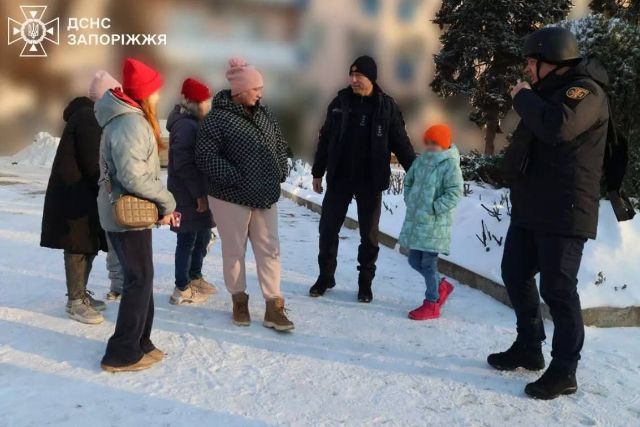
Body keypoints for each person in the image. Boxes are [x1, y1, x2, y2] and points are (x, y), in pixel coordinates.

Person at [487, 27, 610, 400]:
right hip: (534, 205)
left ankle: (564, 369)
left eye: (531, 62)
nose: (526, 69)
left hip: (566, 209)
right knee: (514, 272)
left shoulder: (586, 92)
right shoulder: (549, 93)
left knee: (557, 289)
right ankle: (529, 346)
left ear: (552, 61)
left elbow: (558, 127)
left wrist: (524, 98)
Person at [196, 57, 293, 332]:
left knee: (269, 249)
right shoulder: (216, 119)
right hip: (231, 197)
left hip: (265, 195)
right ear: (239, 90)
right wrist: (235, 178)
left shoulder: (265, 114)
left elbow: (280, 144)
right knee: (234, 251)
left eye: (261, 88)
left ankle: (274, 306)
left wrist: (280, 170)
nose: (260, 93)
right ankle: (239, 300)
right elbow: (205, 156)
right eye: (255, 88)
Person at [309, 55, 416, 302]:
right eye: (352, 75)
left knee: (369, 235)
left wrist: (416, 173)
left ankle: (365, 283)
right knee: (327, 229)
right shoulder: (340, 102)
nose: (354, 80)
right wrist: (317, 172)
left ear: (371, 78)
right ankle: (325, 276)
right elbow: (325, 139)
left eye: (359, 75)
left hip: (370, 180)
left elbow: (401, 143)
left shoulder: (386, 107)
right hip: (340, 178)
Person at [96, 58, 177, 372]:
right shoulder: (130, 123)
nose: (159, 95)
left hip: (126, 212)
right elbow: (133, 177)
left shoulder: (126, 119)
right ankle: (121, 353)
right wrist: (167, 202)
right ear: (145, 93)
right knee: (138, 279)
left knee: (141, 278)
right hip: (126, 214)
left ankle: (142, 342)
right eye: (155, 90)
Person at [40, 70, 121, 324]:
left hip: (82, 194)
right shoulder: (88, 117)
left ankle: (80, 295)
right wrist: (111, 183)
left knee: (87, 245)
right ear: (106, 96)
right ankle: (75, 301)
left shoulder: (88, 115)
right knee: (77, 247)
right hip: (76, 195)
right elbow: (93, 162)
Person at [398, 124, 462, 320]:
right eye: (429, 142)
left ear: (444, 143)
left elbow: (454, 192)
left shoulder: (449, 165)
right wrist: (410, 198)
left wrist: (435, 208)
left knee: (428, 265)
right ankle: (441, 285)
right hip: (417, 222)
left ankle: (432, 303)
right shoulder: (421, 161)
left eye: (435, 143)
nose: (431, 146)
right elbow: (409, 181)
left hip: (435, 226)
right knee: (413, 261)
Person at [167, 77, 216, 305]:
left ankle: (195, 276)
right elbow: (184, 165)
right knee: (186, 239)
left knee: (203, 235)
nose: (208, 105)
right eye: (205, 101)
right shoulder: (186, 126)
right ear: (194, 103)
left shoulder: (194, 122)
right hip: (186, 195)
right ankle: (181, 287)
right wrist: (198, 195)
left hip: (196, 193)